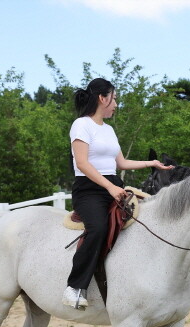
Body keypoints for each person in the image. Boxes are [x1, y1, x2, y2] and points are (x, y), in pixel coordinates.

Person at [63, 77, 173, 309]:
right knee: (98, 229)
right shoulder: (81, 125)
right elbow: (82, 163)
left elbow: (120, 163)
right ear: (102, 98)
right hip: (89, 190)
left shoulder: (109, 129)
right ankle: (74, 287)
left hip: (112, 184)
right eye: (114, 99)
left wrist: (151, 163)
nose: (116, 104)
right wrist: (110, 187)